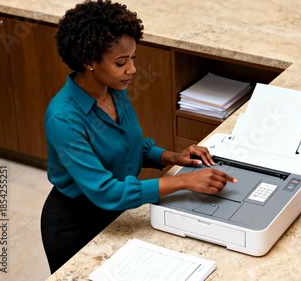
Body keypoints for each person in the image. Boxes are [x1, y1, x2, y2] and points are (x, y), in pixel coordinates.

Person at [41, 0, 236, 274]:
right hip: (78, 223)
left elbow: (127, 147)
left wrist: (170, 156)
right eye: (121, 62)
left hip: (121, 212)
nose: (132, 69)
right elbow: (106, 191)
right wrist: (182, 182)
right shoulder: (64, 118)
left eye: (133, 58)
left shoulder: (114, 89)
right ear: (88, 62)